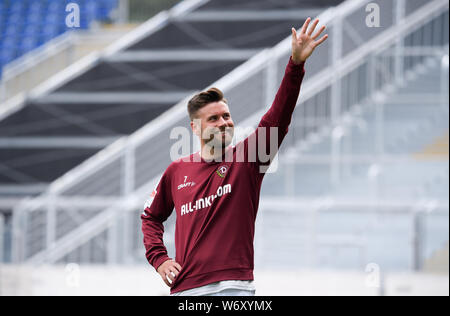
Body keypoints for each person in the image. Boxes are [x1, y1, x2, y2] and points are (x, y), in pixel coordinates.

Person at [141, 17, 328, 296]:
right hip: (186, 291)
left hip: (234, 288)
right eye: (213, 118)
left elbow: (278, 116)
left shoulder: (249, 158)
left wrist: (295, 65)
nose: (224, 122)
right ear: (195, 127)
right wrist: (160, 260)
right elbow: (150, 217)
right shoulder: (177, 170)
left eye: (226, 116)